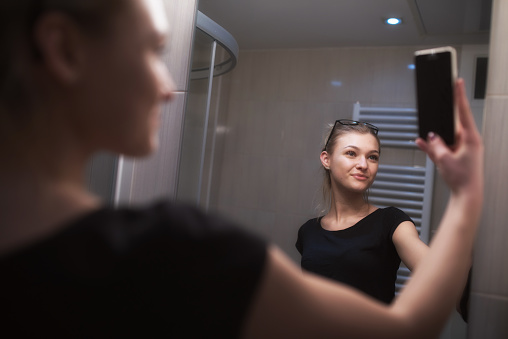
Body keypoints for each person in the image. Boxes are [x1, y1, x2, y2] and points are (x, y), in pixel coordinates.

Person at [0, 0, 483, 338]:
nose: (168, 88)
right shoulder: (175, 245)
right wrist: (467, 192)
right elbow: (405, 329)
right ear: (63, 48)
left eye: (372, 155)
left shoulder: (389, 222)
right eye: (149, 51)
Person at [295, 119, 430, 304]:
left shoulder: (391, 223)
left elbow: (437, 275)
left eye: (372, 157)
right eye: (351, 153)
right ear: (327, 159)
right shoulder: (308, 232)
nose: (363, 165)